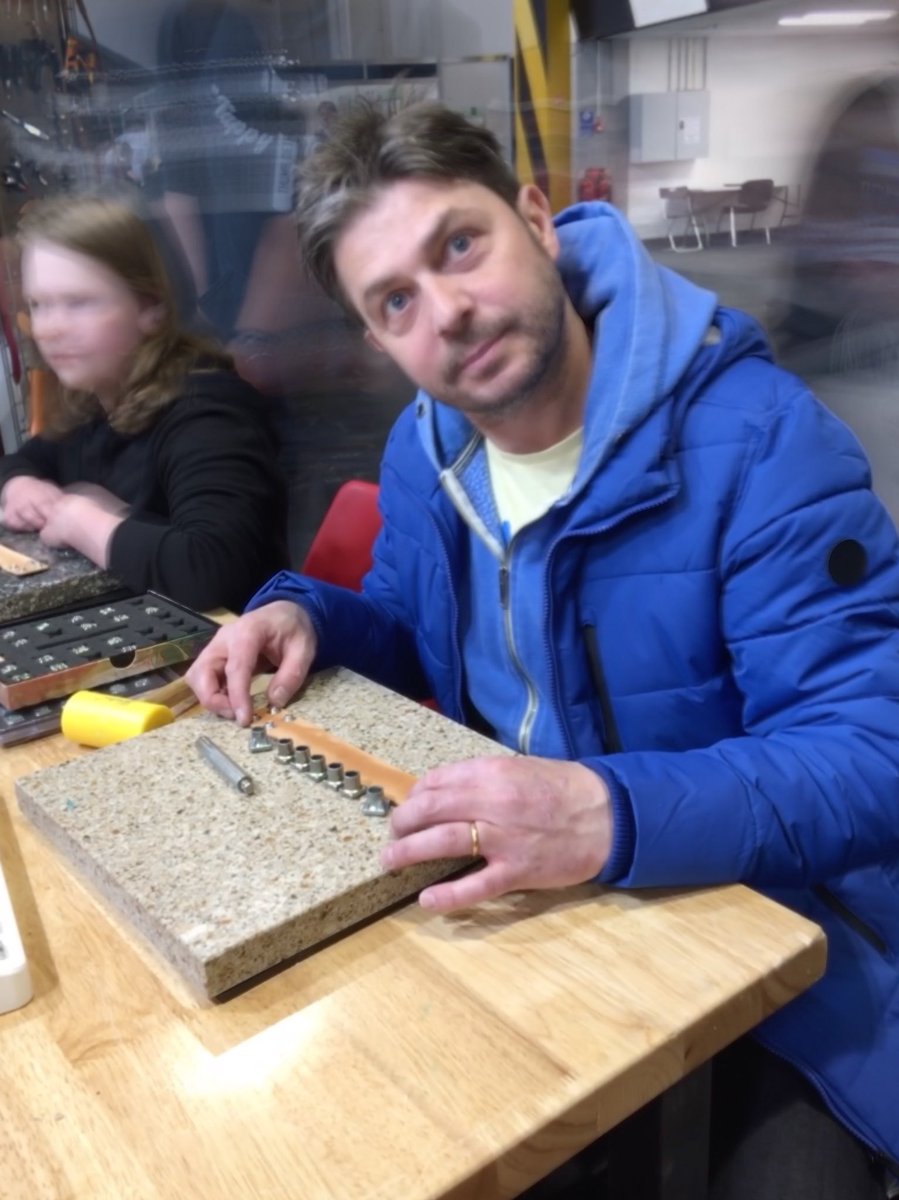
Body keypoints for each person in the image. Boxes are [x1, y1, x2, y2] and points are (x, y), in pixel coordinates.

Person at [186, 103, 899, 1195]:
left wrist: (601, 813)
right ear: (377, 340)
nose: (449, 312)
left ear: (537, 219)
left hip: (778, 943)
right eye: (396, 301)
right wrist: (310, 618)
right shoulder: (427, 454)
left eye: (458, 245)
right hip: (530, 914)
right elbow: (416, 637)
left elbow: (868, 759)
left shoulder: (762, 440)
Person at [0, 194, 288, 612]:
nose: (51, 328)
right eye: (40, 306)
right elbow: (24, 461)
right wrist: (20, 484)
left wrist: (84, 521)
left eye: (79, 303)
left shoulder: (208, 411)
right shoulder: (94, 405)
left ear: (150, 306)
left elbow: (213, 569)